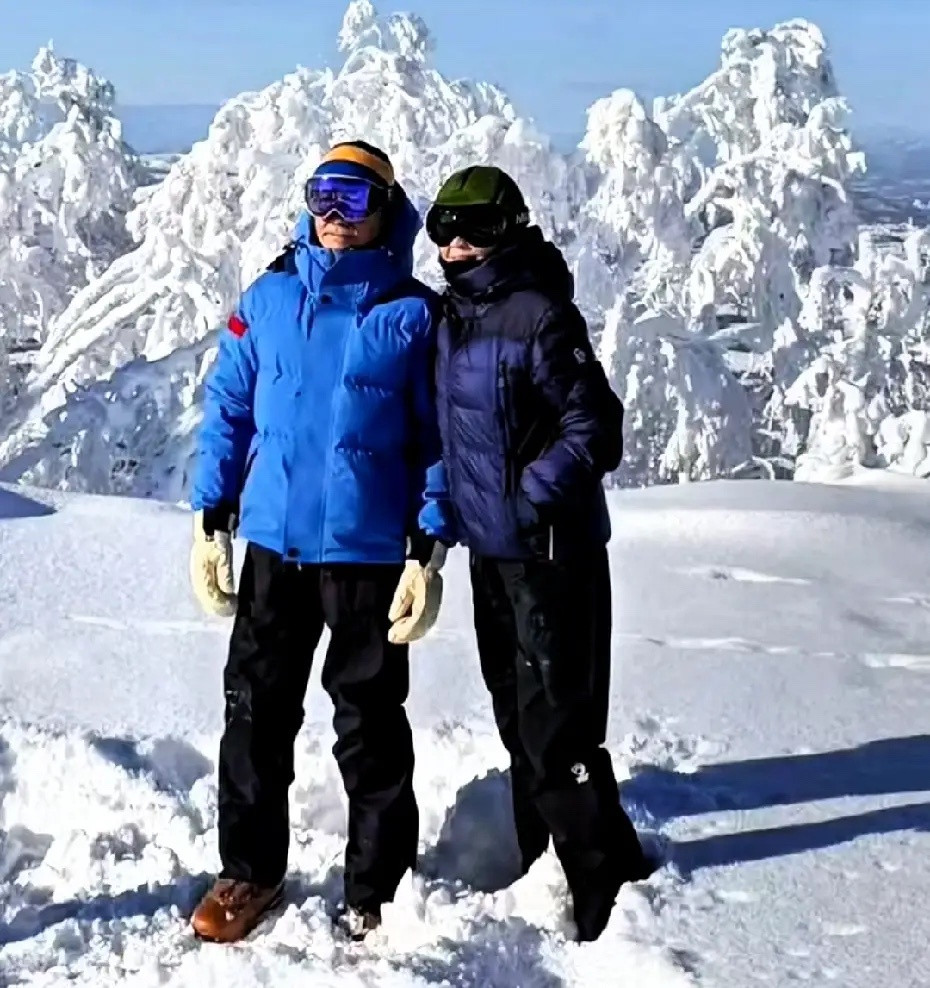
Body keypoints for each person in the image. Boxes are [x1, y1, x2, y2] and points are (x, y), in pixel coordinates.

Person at [187, 141, 451, 944]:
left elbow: (438, 440)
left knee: (369, 723)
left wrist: (427, 549)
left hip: (367, 555)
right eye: (322, 195)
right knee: (255, 716)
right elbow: (228, 408)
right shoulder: (266, 299)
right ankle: (250, 872)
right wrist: (211, 517)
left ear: (387, 212)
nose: (335, 215)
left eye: (355, 199)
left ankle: (378, 886)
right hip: (274, 547)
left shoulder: (413, 314)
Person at [420, 165, 650, 942]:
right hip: (494, 554)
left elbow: (596, 428)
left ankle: (602, 876)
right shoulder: (452, 317)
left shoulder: (539, 315)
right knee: (517, 716)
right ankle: (545, 851)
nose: (456, 243)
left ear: (510, 228)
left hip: (552, 553)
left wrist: (527, 500)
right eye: (443, 227)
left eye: (476, 227)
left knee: (558, 724)